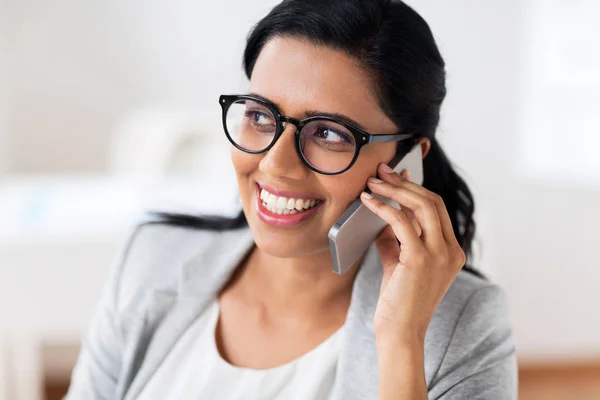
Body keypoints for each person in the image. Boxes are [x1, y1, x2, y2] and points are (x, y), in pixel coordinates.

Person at [66, 0, 517, 399]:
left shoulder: (461, 323)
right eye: (261, 116)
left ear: (406, 163)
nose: (275, 164)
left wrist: (402, 339)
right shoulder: (151, 259)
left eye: (328, 133)